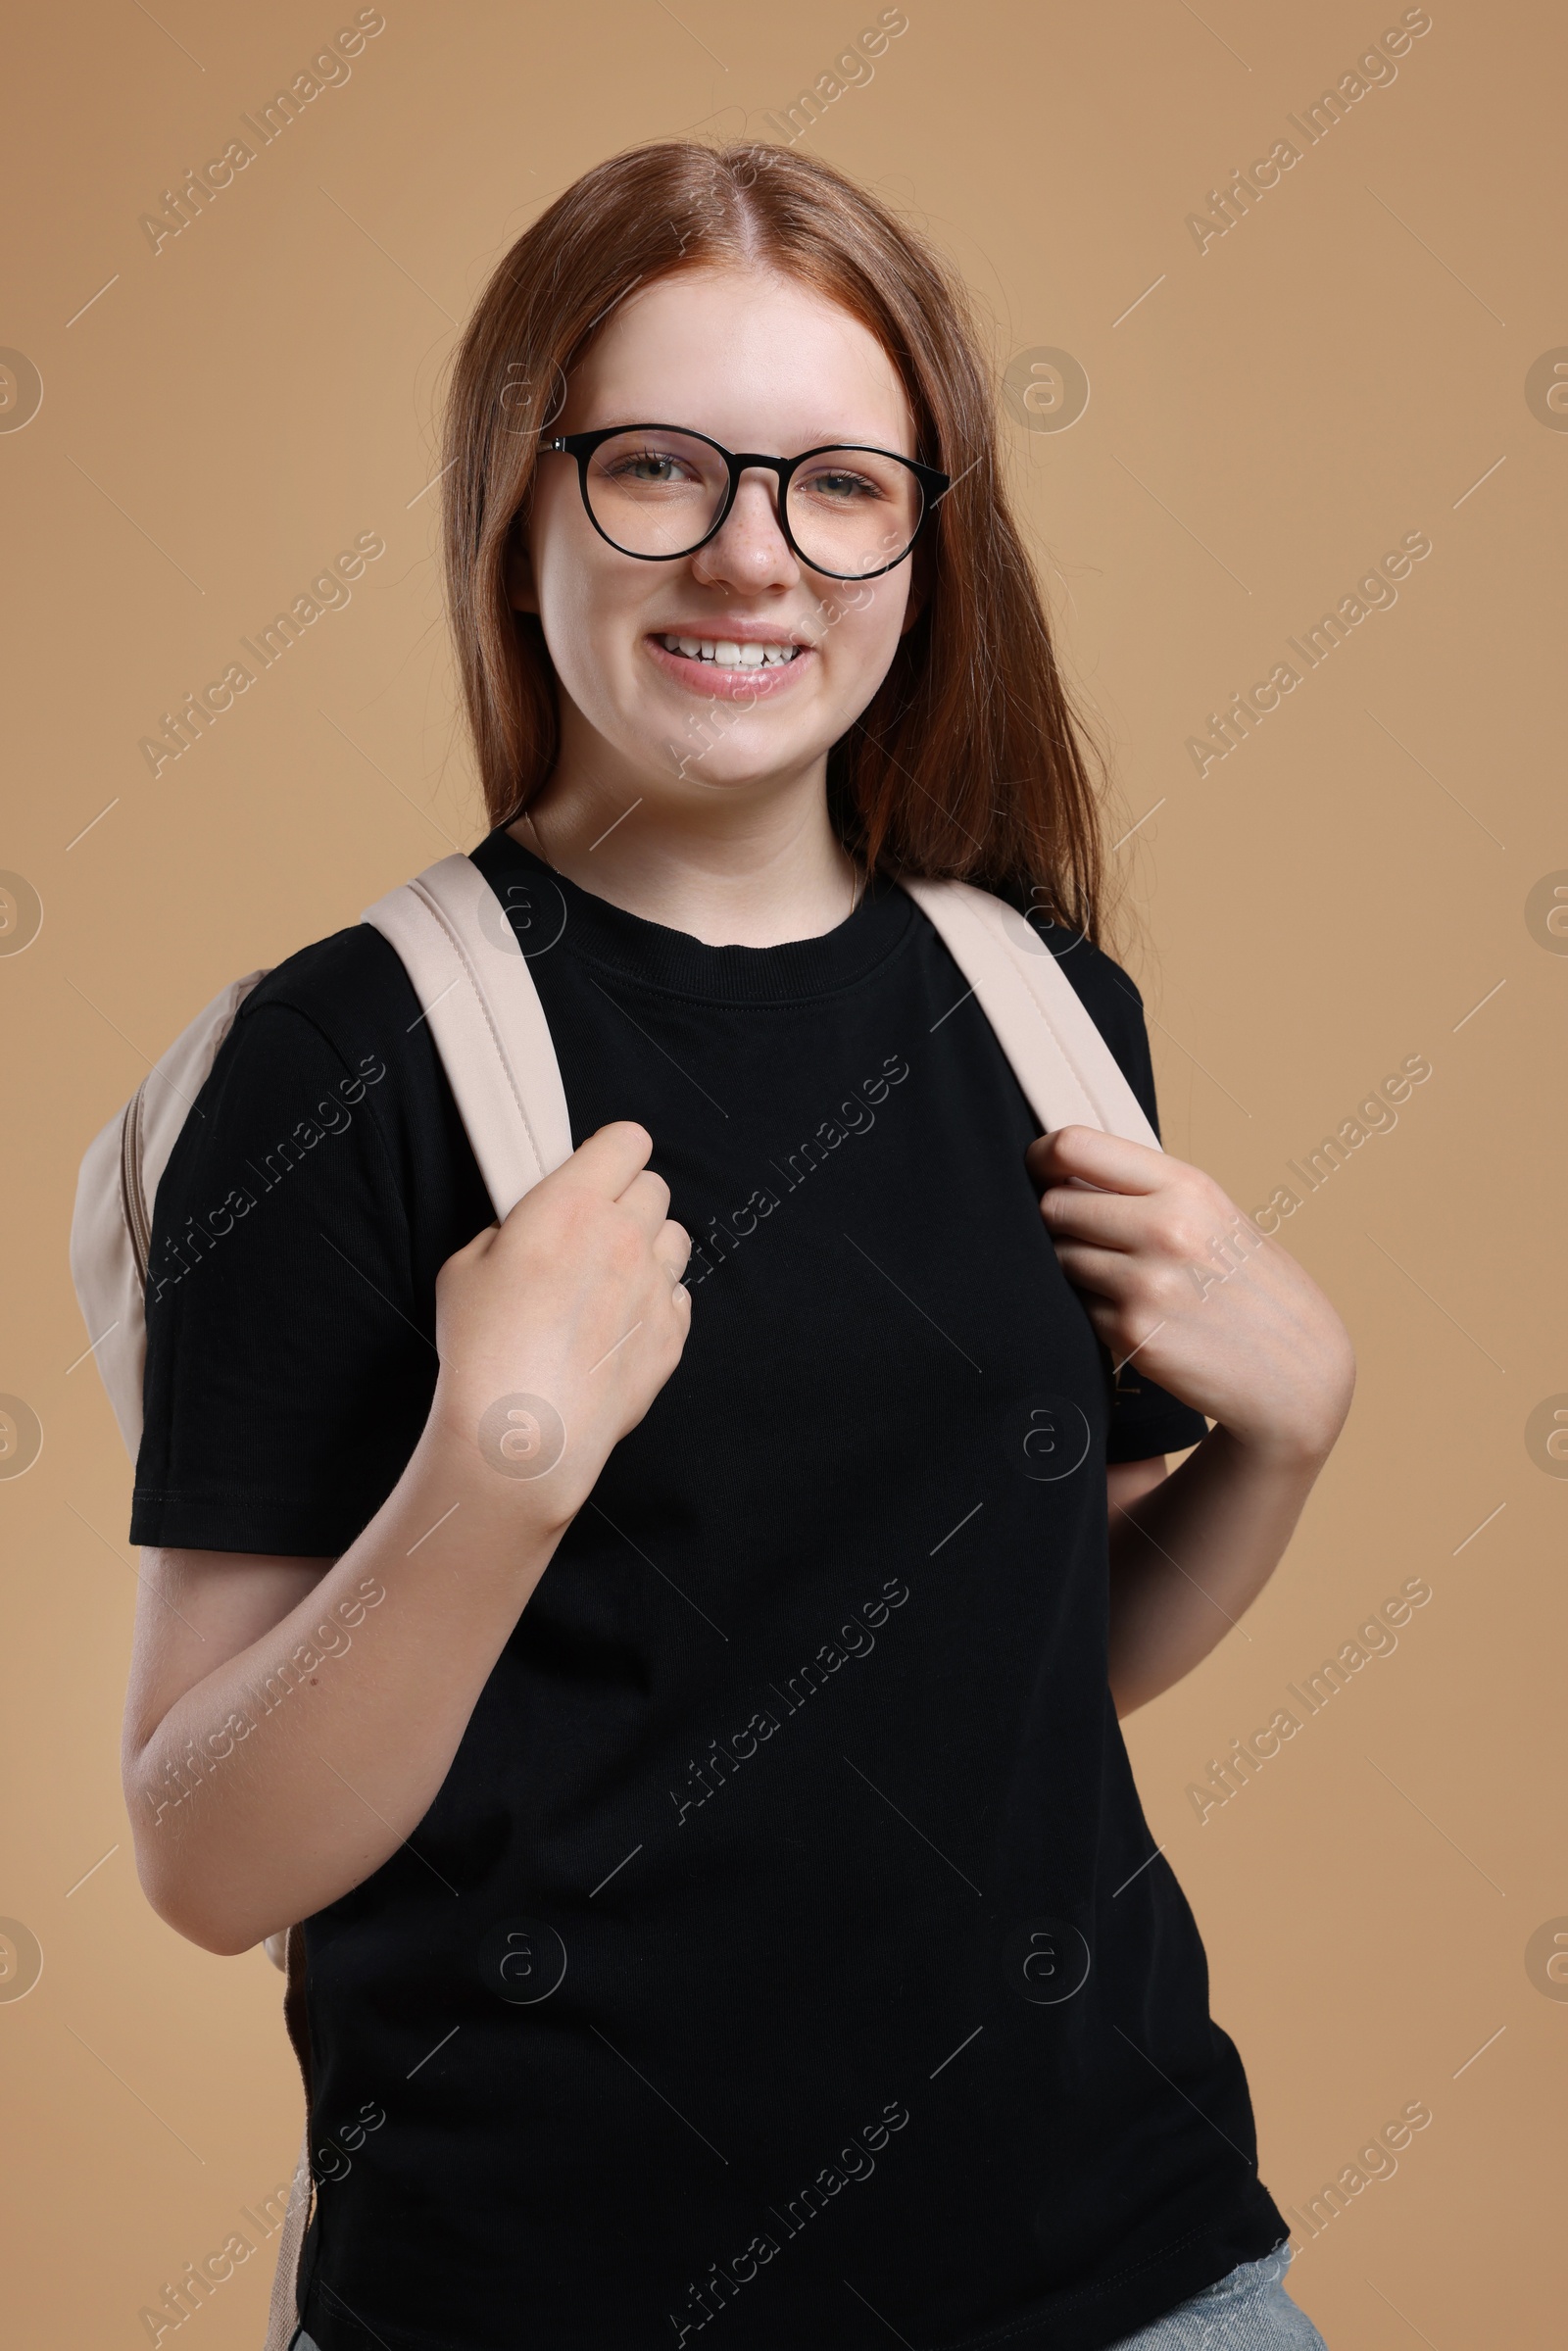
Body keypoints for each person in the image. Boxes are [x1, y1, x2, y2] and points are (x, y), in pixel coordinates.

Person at [122, 140, 1352, 2351]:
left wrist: (1281, 1439)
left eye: (837, 485)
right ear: (521, 511)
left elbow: (1003, 1681)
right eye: (660, 468)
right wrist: (482, 1485)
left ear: (924, 534)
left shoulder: (1044, 1009)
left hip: (1130, 2282)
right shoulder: (342, 1060)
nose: (748, 557)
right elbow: (208, 1861)